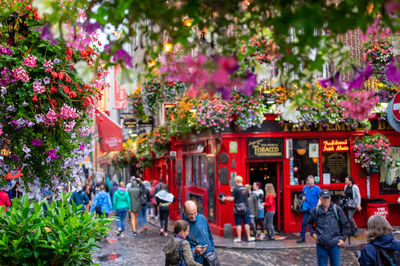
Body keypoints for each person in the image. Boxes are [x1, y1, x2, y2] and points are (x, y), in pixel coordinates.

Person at [307, 189, 349, 266]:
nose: (325, 200)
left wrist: (343, 238)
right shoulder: (316, 210)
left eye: (327, 198)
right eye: (324, 198)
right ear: (320, 198)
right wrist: (313, 234)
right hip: (321, 245)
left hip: (334, 244)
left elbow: (345, 224)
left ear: (330, 198)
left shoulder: (336, 209)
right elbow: (309, 223)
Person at [183, 200, 219, 265]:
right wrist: (194, 251)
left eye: (195, 213)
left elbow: (210, 235)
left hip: (210, 258)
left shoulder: (202, 218)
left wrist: (213, 249)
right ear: (185, 212)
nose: (193, 216)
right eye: (190, 214)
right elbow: (181, 249)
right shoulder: (182, 226)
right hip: (197, 262)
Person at [221, 176, 255, 242]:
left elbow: (232, 199)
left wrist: (225, 198)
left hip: (238, 208)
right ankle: (249, 238)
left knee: (238, 223)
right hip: (246, 208)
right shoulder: (246, 188)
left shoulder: (235, 189)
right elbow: (247, 198)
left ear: (236, 181)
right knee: (247, 223)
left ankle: (239, 239)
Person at [297, 175, 321, 243]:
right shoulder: (305, 188)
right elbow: (303, 196)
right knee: (304, 223)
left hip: (315, 209)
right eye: (310, 182)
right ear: (307, 182)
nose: (311, 183)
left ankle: (319, 237)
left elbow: (320, 198)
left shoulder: (317, 188)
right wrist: (303, 198)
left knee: (318, 224)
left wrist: (317, 207)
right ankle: (302, 237)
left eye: (312, 181)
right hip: (307, 209)